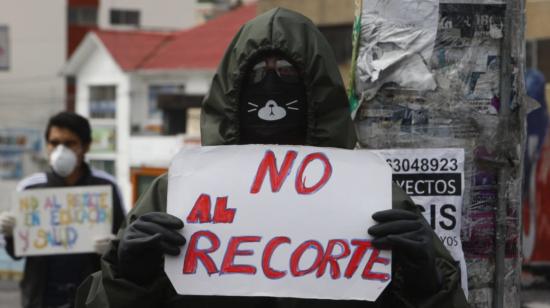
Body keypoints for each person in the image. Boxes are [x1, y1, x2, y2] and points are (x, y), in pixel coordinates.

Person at [75, 8, 468, 308]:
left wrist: (424, 280)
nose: (271, 87)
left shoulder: (374, 194)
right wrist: (128, 276)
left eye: (286, 73)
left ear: (316, 90)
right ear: (233, 91)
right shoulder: (177, 193)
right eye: (257, 76)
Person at [0, 112, 125, 308]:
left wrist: (111, 248)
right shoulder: (30, 189)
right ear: (47, 146)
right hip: (42, 298)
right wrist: (9, 233)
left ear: (86, 146)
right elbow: (15, 252)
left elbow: (123, 243)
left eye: (69, 143)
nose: (60, 150)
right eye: (54, 142)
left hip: (92, 297)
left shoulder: (106, 187)